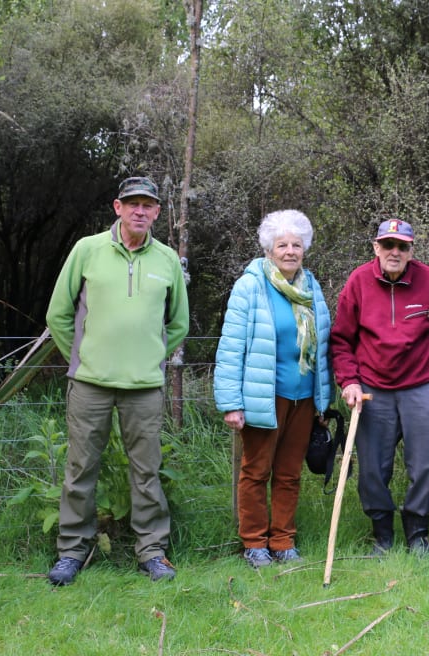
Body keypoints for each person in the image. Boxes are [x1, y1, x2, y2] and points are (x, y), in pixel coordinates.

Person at [45, 176, 189, 586]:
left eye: (148, 204)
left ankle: (152, 552)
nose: (140, 211)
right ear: (118, 208)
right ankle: (72, 551)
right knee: (80, 468)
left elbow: (178, 322)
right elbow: (58, 314)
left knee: (147, 471)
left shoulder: (166, 261)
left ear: (158, 212)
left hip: (144, 387)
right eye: (133, 204)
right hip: (90, 383)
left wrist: (151, 358)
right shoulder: (87, 250)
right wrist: (84, 355)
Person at [329, 218, 429, 554]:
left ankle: (418, 532)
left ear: (411, 251)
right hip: (373, 387)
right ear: (376, 247)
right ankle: (382, 535)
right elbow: (341, 341)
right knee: (373, 467)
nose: (395, 251)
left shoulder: (428, 280)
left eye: (402, 246)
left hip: (423, 382)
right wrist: (348, 381)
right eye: (388, 245)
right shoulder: (359, 281)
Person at [213, 210, 333, 569]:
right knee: (256, 470)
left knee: (289, 472)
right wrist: (231, 403)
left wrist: (323, 398)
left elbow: (324, 346)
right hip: (264, 396)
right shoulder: (251, 285)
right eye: (282, 244)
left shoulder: (310, 287)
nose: (290, 251)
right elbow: (231, 346)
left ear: (305, 249)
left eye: (297, 244)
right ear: (269, 249)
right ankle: (253, 542)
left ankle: (282, 540)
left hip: (303, 397)